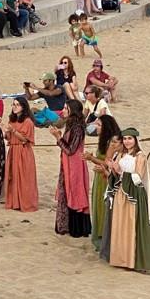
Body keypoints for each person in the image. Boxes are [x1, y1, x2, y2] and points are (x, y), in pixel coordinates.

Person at [99, 127, 150, 271]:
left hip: (134, 195)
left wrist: (120, 171)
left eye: (130, 139)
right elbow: (115, 175)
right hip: (120, 194)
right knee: (120, 225)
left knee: (132, 225)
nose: (127, 142)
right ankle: (120, 258)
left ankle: (132, 260)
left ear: (135, 140)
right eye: (125, 139)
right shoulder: (120, 155)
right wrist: (112, 170)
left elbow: (139, 177)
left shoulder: (140, 157)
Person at [48, 100, 91, 237]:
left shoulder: (77, 128)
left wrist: (58, 138)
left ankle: (76, 228)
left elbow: (71, 149)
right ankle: (67, 226)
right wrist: (60, 138)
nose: (63, 110)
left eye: (66, 108)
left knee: (75, 193)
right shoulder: (71, 125)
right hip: (68, 165)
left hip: (75, 166)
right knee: (67, 192)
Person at [89, 115, 120, 250]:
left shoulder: (111, 142)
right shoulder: (103, 140)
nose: (97, 127)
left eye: (99, 125)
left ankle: (104, 237)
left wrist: (91, 158)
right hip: (99, 176)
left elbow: (108, 163)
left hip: (105, 178)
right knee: (97, 204)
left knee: (104, 206)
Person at [4, 96, 38, 212]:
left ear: (23, 107)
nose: (14, 107)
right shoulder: (12, 120)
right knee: (13, 177)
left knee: (24, 178)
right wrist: (6, 132)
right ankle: (15, 202)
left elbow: (25, 139)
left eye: (17, 105)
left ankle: (26, 203)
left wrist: (13, 131)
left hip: (23, 152)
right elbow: (9, 138)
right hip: (13, 151)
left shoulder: (28, 122)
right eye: (13, 104)